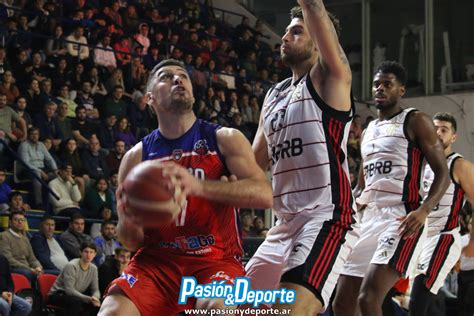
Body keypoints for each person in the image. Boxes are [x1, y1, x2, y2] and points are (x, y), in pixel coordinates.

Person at [98, 59, 272, 316]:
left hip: (216, 260)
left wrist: (198, 186)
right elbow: (131, 241)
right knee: (111, 312)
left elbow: (265, 194)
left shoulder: (224, 138)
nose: (178, 79)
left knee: (217, 310)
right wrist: (128, 215)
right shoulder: (135, 157)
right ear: (149, 98)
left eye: (183, 76)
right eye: (166, 77)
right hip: (156, 262)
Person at [246, 2, 358, 314]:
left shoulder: (329, 78)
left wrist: (311, 7)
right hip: (283, 226)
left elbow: (315, 10)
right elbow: (253, 163)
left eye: (296, 31)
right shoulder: (274, 94)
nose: (284, 37)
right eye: (284, 32)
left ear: (319, 40)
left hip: (325, 218)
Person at [332, 61, 450, 316]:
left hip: (401, 218)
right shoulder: (369, 130)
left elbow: (443, 172)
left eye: (388, 84)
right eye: (377, 84)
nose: (380, 89)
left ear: (401, 90)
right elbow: (363, 180)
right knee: (341, 302)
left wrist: (424, 210)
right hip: (369, 218)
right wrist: (352, 201)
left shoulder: (416, 120)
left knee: (368, 298)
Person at [409, 112, 474, 315]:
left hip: (442, 237)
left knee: (418, 303)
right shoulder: (419, 163)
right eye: (434, 128)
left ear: (453, 137)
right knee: (424, 305)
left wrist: (473, 241)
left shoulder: (459, 165)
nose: (438, 132)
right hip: (418, 239)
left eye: (444, 129)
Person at [48, 241, 101, 316]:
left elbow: (95, 289)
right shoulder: (71, 266)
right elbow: (69, 290)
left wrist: (95, 298)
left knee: (99, 302)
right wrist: (88, 299)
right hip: (58, 294)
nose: (88, 255)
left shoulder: (94, 268)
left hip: (76, 295)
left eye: (91, 252)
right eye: (86, 252)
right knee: (76, 301)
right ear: (80, 252)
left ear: (95, 254)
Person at [0, 211, 44, 283]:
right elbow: (8, 259)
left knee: (45, 274)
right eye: (16, 220)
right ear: (10, 222)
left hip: (27, 269)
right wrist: (30, 269)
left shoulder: (25, 239)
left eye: (22, 220)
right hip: (13, 268)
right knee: (29, 273)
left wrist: (38, 267)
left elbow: (33, 259)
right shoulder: (3, 236)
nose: (20, 222)